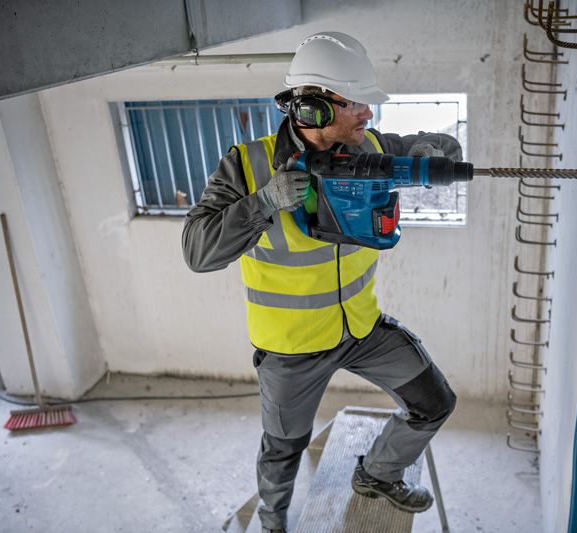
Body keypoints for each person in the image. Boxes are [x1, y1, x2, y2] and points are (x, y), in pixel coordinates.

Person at [182, 31, 460, 533]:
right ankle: (272, 524)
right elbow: (197, 252)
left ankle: (378, 473)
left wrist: (431, 150)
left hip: (360, 331)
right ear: (312, 110)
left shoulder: (369, 148)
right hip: (290, 350)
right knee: (283, 449)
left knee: (435, 402)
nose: (367, 116)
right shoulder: (246, 167)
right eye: (356, 103)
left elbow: (437, 147)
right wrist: (262, 203)